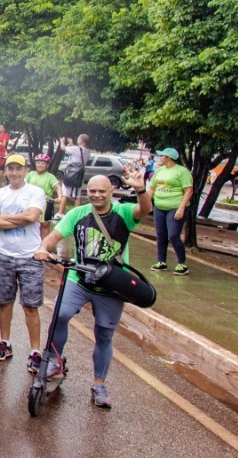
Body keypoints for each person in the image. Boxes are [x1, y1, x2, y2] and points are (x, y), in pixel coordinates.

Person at [34, 172, 152, 409]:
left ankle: (99, 383)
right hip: (79, 278)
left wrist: (141, 190)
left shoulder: (123, 213)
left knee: (104, 334)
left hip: (111, 285)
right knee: (60, 314)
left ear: (111, 193)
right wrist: (44, 248)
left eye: (102, 191)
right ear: (88, 192)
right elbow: (54, 237)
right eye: (93, 191)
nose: (97, 195)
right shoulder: (78, 213)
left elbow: (145, 210)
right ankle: (55, 361)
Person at [0, 154, 47, 372]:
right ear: (6, 170)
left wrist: (3, 221)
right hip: (3, 255)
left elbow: (32, 217)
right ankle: (5, 343)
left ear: (25, 170)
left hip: (30, 256)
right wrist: (19, 217)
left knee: (30, 306)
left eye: (18, 168)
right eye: (10, 168)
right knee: (5, 302)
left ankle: (36, 351)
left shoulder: (35, 192)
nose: (14, 172)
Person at [148, 147, 195, 276]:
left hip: (175, 207)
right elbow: (152, 188)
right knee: (161, 235)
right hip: (159, 207)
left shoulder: (182, 172)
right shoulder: (160, 171)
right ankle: (161, 262)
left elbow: (188, 191)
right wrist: (145, 203)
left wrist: (181, 208)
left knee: (173, 235)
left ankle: (182, 264)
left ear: (168, 158)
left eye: (162, 156)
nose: (160, 158)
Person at [25, 153, 61, 237]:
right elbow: (23, 184)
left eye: (43, 163)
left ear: (47, 165)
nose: (40, 165)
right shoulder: (31, 174)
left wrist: (60, 196)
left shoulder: (50, 177)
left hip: (46, 203)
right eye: (38, 163)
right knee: (29, 223)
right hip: (31, 202)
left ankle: (44, 246)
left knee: (44, 225)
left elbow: (57, 187)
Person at [58, 134, 90, 213]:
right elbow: (78, 152)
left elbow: (63, 148)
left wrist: (62, 142)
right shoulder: (87, 151)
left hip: (71, 174)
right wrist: (71, 143)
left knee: (65, 194)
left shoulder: (76, 149)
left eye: (78, 139)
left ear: (81, 141)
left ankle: (60, 213)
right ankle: (76, 213)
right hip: (79, 175)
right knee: (78, 195)